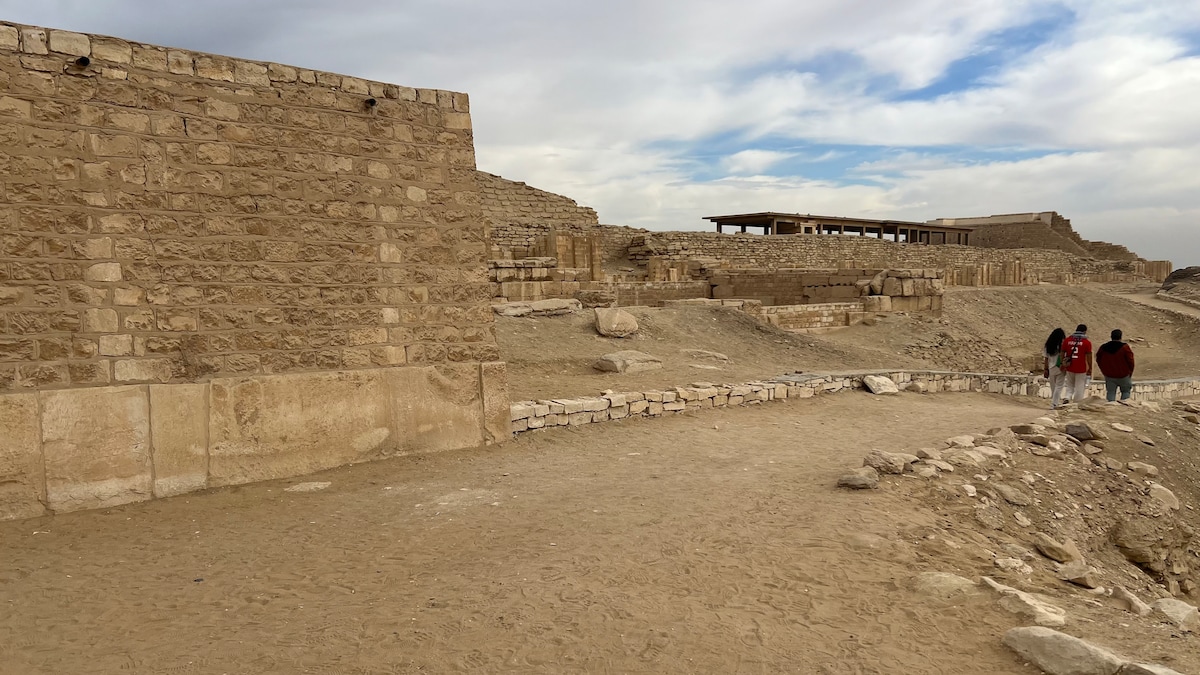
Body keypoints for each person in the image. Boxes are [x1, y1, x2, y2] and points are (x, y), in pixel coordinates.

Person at [1096, 329, 1136, 402]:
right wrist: (1130, 372)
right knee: (1125, 392)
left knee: (1111, 393)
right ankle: (1124, 408)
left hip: (1109, 375)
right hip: (1123, 375)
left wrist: (1104, 370)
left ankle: (1110, 408)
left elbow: (1098, 359)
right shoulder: (1125, 347)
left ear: (1111, 336)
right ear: (1120, 337)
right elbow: (1131, 361)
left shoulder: (1103, 347)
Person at [1060, 324, 1093, 403]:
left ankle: (1067, 397)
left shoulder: (1067, 340)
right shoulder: (1086, 342)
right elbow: (1089, 356)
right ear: (1084, 331)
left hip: (1070, 366)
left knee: (1069, 384)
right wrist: (1090, 367)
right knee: (1079, 386)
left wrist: (1062, 363)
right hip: (1081, 368)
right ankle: (1077, 402)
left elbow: (1062, 352)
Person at [1042, 327, 1068, 409]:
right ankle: (1054, 403)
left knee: (1053, 387)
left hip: (1051, 367)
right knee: (1059, 386)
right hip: (1060, 367)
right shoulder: (1063, 345)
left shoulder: (1048, 345)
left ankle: (1054, 402)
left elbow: (1046, 358)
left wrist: (1045, 369)